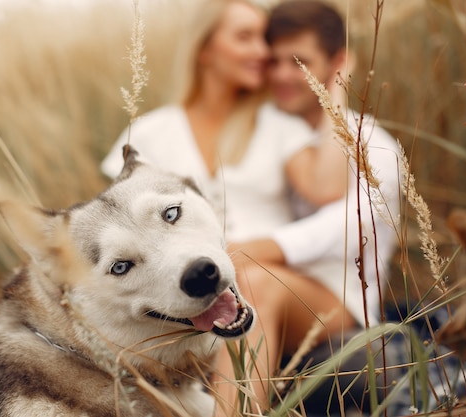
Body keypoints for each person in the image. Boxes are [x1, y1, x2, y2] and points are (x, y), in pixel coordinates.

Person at [101, 0, 352, 414]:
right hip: (192, 295)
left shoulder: (276, 124)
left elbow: (327, 188)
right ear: (205, 49)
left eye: (264, 39)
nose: (262, 52)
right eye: (245, 37)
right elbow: (123, 230)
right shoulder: (150, 132)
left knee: (251, 282)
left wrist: (337, 88)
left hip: (287, 293)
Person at [225, 0, 403, 414]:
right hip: (261, 304)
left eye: (300, 62)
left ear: (337, 62)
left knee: (255, 282)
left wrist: (249, 250)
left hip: (340, 311)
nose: (284, 75)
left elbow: (345, 229)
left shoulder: (372, 142)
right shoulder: (263, 131)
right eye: (275, 62)